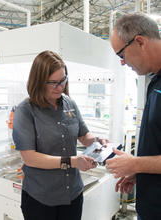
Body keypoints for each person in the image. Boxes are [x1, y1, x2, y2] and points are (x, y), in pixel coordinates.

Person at [12, 50, 107, 220]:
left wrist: (97, 141)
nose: (60, 87)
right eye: (53, 83)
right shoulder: (25, 110)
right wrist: (71, 162)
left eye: (63, 80)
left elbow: (84, 135)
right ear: (39, 81)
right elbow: (30, 158)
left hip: (73, 194)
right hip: (40, 198)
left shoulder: (69, 103)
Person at [106, 13, 161, 220]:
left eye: (121, 55)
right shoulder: (154, 81)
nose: (122, 63)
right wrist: (141, 171)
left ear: (139, 42)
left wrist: (136, 164)